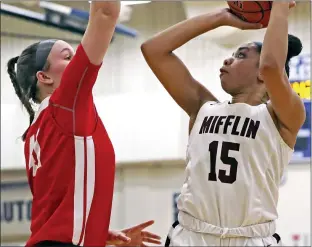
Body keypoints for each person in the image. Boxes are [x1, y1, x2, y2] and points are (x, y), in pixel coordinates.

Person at [141, 1, 305, 246]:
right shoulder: (203, 107)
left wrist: (280, 6)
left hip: (250, 238)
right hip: (191, 236)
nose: (227, 61)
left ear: (261, 72)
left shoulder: (281, 116)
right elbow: (153, 49)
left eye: (240, 55)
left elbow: (272, 67)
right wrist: (222, 17)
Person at [7, 1, 161, 247]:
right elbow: (105, 12)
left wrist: (96, 232)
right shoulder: (65, 102)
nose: (78, 58)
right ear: (44, 77)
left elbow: (56, 205)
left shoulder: (36, 131)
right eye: (69, 56)